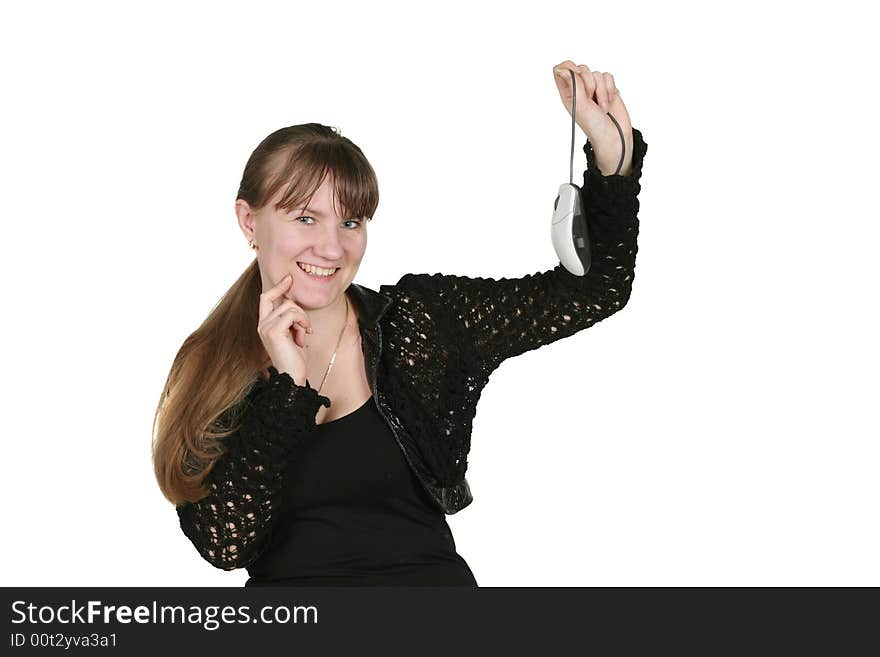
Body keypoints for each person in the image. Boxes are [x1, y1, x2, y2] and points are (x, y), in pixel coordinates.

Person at [151, 60, 649, 586]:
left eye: (351, 221)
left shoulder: (419, 321)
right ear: (250, 222)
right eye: (305, 218)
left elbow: (592, 290)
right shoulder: (212, 361)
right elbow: (224, 543)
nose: (332, 246)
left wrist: (613, 160)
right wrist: (289, 388)